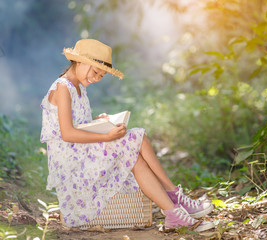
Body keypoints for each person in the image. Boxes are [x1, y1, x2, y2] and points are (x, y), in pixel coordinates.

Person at [40, 39, 214, 232]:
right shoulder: (63, 87)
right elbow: (67, 133)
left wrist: (98, 122)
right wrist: (106, 137)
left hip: (79, 151)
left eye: (101, 75)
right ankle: (173, 195)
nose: (97, 78)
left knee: (135, 158)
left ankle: (173, 213)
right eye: (95, 72)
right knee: (135, 136)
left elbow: (77, 126)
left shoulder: (79, 87)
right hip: (70, 162)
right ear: (79, 61)